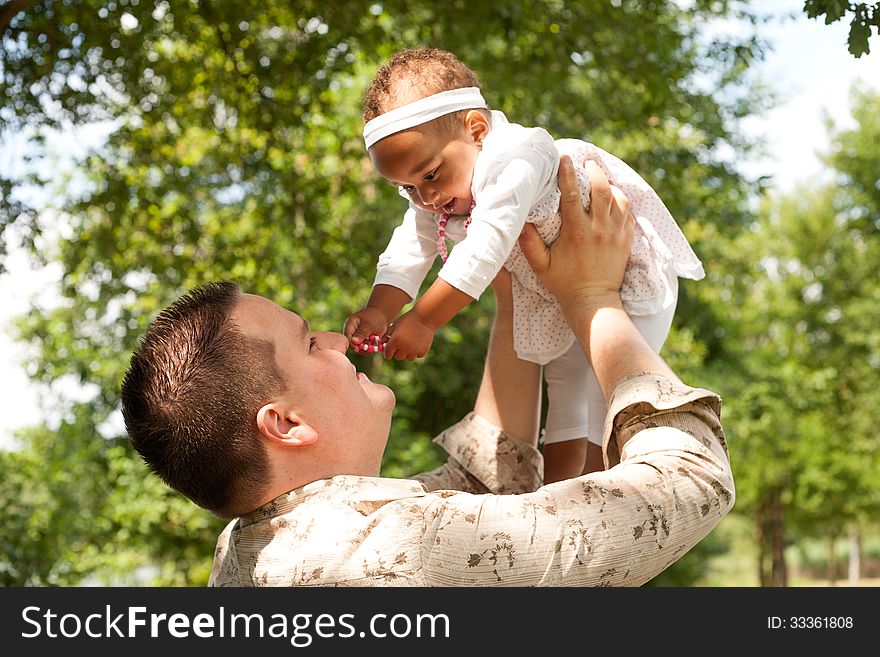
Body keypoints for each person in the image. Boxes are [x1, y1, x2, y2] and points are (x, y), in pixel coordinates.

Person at [120, 156, 734, 586]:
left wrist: (513, 283)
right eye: (310, 344)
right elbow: (687, 487)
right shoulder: (389, 558)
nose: (337, 340)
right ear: (284, 423)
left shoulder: (261, 549)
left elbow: (488, 481)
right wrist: (594, 299)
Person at [343, 47, 705, 482]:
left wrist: (424, 318)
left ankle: (606, 488)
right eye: (406, 189)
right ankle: (561, 495)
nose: (425, 198)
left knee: (598, 392)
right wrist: (381, 308)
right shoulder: (437, 191)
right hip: (552, 293)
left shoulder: (516, 156)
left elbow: (486, 245)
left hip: (623, 279)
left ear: (476, 129)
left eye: (431, 176)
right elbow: (409, 245)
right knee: (565, 384)